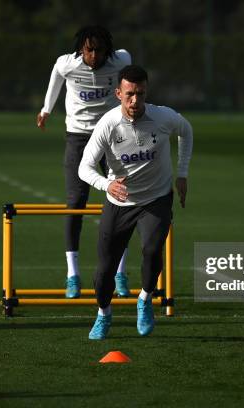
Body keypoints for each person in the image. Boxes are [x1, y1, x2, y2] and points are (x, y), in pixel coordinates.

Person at [79, 64, 193, 340]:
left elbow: (186, 131)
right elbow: (84, 167)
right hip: (119, 204)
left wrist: (182, 173)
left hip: (156, 199)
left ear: (146, 92)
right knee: (104, 271)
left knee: (152, 251)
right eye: (129, 94)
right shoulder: (108, 124)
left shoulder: (163, 117)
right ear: (118, 93)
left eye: (140, 94)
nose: (135, 101)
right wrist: (108, 184)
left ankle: (145, 299)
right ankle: (104, 314)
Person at [37, 26, 132, 299]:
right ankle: (72, 275)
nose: (93, 55)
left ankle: (120, 273)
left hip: (112, 135)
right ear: (81, 49)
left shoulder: (121, 61)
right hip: (77, 136)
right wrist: (46, 109)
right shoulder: (67, 64)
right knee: (76, 201)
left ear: (107, 50)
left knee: (122, 200)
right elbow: (55, 81)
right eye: (88, 50)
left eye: (98, 50)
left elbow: (131, 82)